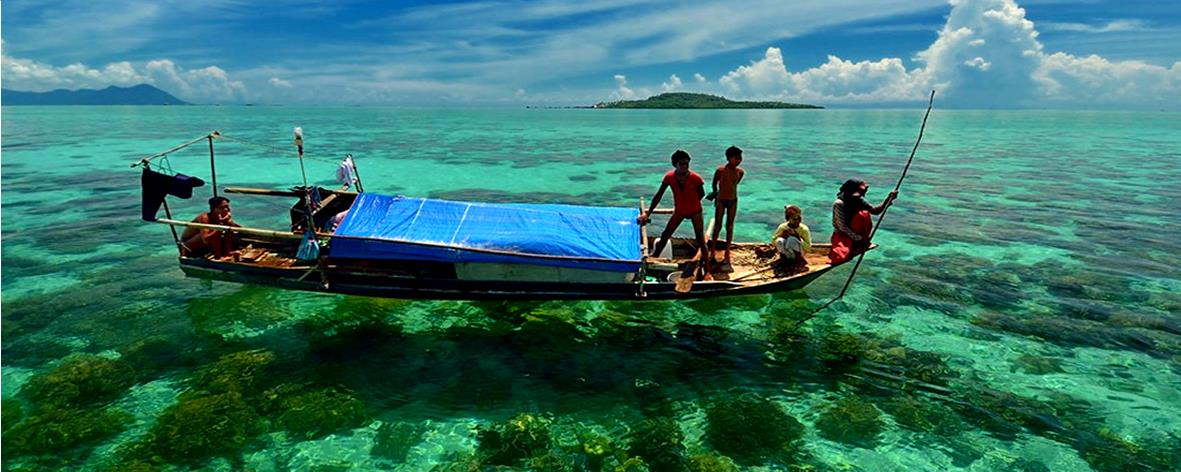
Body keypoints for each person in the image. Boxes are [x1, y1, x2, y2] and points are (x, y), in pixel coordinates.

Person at [638, 150, 711, 279]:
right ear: (675, 164)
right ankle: (654, 259)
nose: (685, 166)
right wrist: (647, 213)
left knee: (700, 239)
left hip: (695, 211)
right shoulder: (669, 177)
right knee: (666, 234)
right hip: (680, 211)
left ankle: (707, 269)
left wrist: (690, 205)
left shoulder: (696, 178)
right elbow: (659, 195)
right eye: (682, 164)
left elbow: (701, 194)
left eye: (687, 164)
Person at [829, 179, 897, 264]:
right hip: (842, 235)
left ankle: (856, 243)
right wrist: (858, 238)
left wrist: (889, 199)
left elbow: (875, 211)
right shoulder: (839, 203)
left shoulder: (858, 200)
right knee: (839, 258)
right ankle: (853, 244)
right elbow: (842, 227)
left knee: (864, 213)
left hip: (856, 234)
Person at [707, 145, 745, 267]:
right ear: (728, 158)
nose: (738, 160)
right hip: (721, 201)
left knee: (729, 227)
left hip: (733, 201)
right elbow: (714, 184)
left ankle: (727, 253)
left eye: (740, 158)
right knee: (717, 226)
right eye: (736, 158)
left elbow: (735, 184)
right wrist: (715, 195)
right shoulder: (720, 171)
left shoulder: (740, 172)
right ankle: (712, 252)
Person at [772, 204, 811, 271]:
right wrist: (782, 235)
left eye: (799, 218)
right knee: (779, 240)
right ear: (788, 219)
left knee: (791, 239)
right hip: (786, 253)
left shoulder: (804, 229)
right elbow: (773, 241)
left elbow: (808, 248)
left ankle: (799, 262)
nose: (798, 221)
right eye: (794, 219)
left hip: (799, 254)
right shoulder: (783, 227)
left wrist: (798, 238)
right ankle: (784, 260)